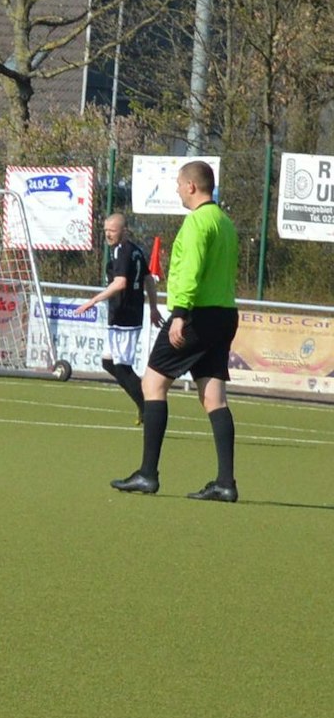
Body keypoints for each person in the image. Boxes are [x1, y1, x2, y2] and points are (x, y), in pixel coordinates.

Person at [113, 161, 240, 501]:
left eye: (178, 185)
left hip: (196, 313)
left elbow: (191, 271)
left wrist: (180, 313)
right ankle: (225, 483)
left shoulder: (197, 222)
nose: (176, 190)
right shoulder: (224, 222)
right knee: (213, 396)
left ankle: (147, 474)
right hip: (224, 313)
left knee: (153, 383)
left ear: (191, 187)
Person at [75, 212, 161, 419]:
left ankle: (149, 408)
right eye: (105, 230)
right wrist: (153, 308)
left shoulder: (122, 251)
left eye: (112, 231)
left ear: (124, 231)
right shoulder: (136, 251)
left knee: (122, 367)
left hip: (125, 314)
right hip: (125, 314)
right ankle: (145, 405)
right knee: (108, 362)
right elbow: (149, 280)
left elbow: (120, 282)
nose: (108, 235)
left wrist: (93, 300)